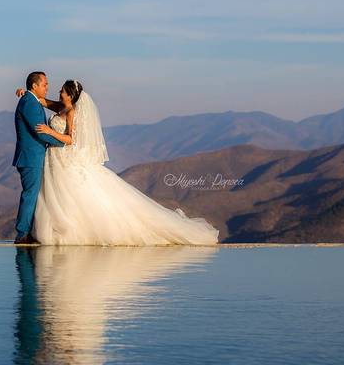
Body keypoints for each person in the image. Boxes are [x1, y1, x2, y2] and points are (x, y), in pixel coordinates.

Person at [14, 79, 219, 245]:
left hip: (63, 158)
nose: (57, 92)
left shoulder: (72, 112)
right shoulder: (60, 106)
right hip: (53, 160)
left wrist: (50, 131)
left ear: (70, 95)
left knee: (70, 196)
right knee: (53, 196)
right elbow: (42, 101)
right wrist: (26, 93)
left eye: (62, 91)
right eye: (55, 89)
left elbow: (71, 140)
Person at [12, 72, 65, 244]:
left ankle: (29, 231)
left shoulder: (32, 100)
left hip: (35, 157)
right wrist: (63, 143)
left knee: (35, 195)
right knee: (30, 194)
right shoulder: (30, 103)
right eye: (45, 84)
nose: (47, 87)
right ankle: (22, 234)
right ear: (34, 86)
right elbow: (40, 131)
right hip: (30, 158)